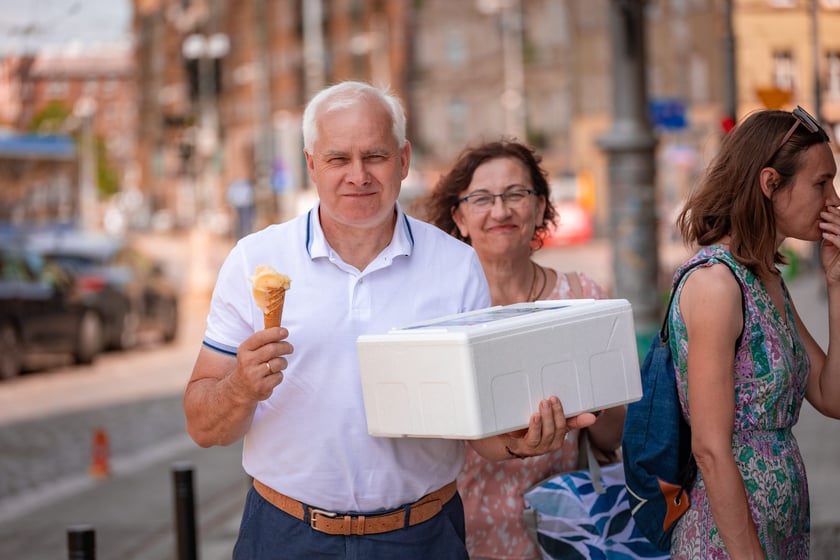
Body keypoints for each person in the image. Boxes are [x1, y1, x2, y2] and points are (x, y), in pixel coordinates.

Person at [182, 82, 598, 559]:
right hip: (285, 534)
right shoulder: (254, 260)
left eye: (375, 156)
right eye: (338, 159)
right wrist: (239, 387)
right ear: (311, 164)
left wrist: (522, 440)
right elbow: (202, 427)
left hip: (421, 536)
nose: (358, 175)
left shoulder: (456, 265)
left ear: (403, 160)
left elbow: (479, 432)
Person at [421, 139, 626, 560]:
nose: (500, 211)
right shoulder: (435, 312)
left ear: (539, 207)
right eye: (482, 199)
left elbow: (614, 435)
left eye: (516, 194)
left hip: (565, 527)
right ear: (459, 217)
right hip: (458, 530)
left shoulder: (580, 298)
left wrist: (593, 398)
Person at [668, 106, 840, 558]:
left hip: (779, 532)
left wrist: (836, 284)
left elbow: (832, 396)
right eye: (822, 183)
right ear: (770, 184)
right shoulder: (716, 283)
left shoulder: (765, 279)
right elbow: (709, 448)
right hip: (727, 541)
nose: (834, 200)